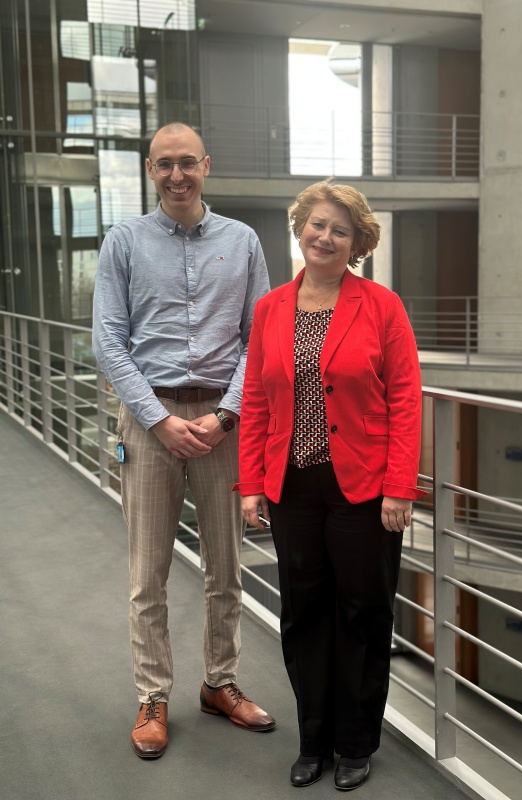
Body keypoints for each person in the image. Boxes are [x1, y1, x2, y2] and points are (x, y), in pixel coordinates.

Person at [93, 122, 275, 760]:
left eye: (187, 164)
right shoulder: (124, 241)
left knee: (226, 569)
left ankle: (219, 683)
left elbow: (261, 337)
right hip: (150, 426)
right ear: (150, 170)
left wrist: (226, 414)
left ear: (206, 165)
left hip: (224, 428)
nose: (177, 175)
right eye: (164, 165)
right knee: (149, 574)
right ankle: (153, 695)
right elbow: (109, 341)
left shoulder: (244, 241)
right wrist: (157, 417)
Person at [237, 182, 426, 791]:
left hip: (365, 490)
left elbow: (404, 398)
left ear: (357, 242)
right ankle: (312, 739)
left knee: (363, 614)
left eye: (339, 230)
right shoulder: (271, 309)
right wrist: (250, 485)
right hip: (291, 488)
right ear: (300, 228)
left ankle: (355, 743)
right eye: (317, 225)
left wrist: (400, 486)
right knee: (303, 615)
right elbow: (258, 399)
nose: (325, 237)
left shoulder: (382, 306)